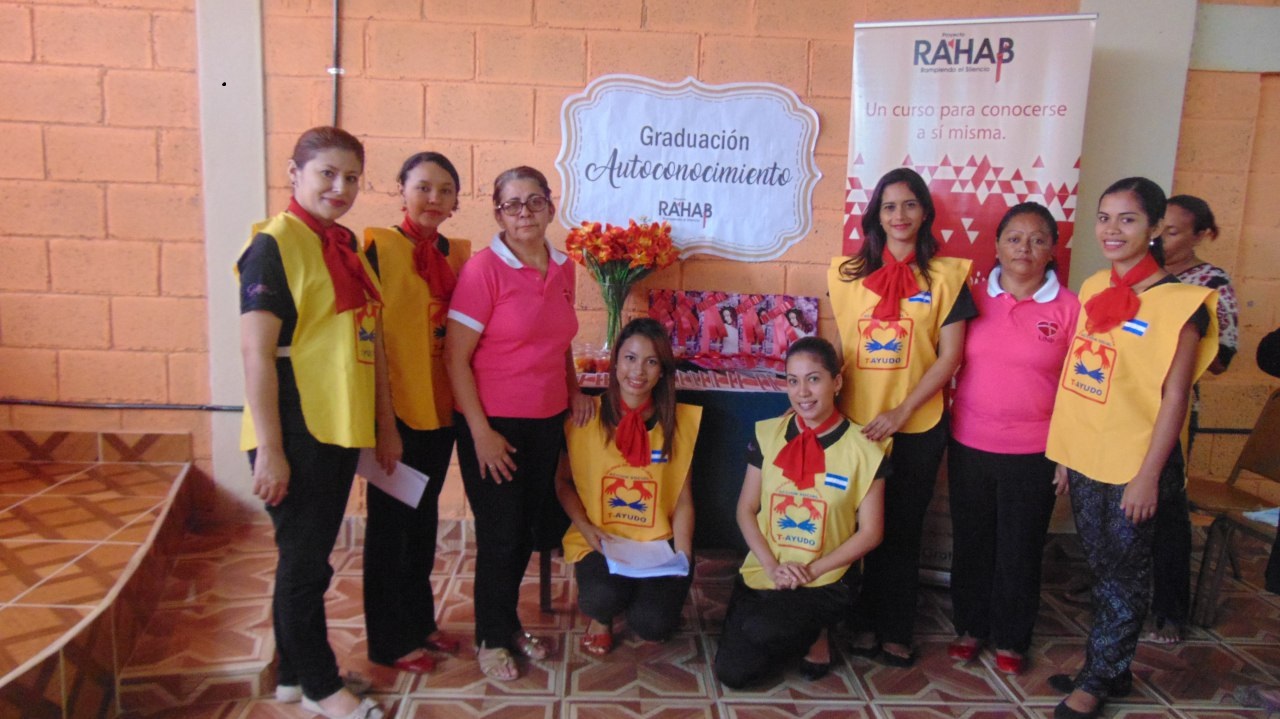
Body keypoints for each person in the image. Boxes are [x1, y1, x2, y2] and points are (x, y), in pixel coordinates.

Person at [1045, 177, 1218, 719]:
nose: (1111, 229)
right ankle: (1110, 667)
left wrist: (1147, 476)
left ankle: (1096, 680)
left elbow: (1174, 399)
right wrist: (1067, 454)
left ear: (1155, 228)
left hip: (1138, 464)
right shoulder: (1095, 287)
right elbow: (1080, 379)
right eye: (1104, 217)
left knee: (1124, 573)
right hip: (1090, 455)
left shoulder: (1182, 304)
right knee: (1102, 567)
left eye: (1127, 219)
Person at [238, 127, 388, 719]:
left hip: (334, 429)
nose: (340, 186)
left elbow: (362, 339)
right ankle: (325, 689)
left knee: (306, 557)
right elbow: (256, 353)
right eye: (327, 172)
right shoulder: (274, 246)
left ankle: (293, 678)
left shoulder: (341, 245)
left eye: (351, 176)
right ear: (294, 173)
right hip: (295, 430)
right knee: (305, 563)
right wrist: (271, 449)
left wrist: (379, 425)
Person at [445, 166, 594, 681]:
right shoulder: (483, 271)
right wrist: (483, 434)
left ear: (551, 206)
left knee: (527, 530)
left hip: (545, 419)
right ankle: (490, 638)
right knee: (501, 533)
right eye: (513, 204)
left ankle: (506, 626)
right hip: (494, 427)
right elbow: (455, 360)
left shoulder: (564, 266)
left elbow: (560, 342)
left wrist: (573, 389)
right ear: (498, 213)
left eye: (534, 202)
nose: (525, 212)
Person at [827, 166, 976, 666]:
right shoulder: (845, 275)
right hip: (854, 425)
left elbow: (950, 357)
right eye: (889, 206)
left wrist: (900, 411)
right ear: (875, 215)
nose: (900, 215)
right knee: (854, 528)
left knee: (902, 531)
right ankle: (859, 621)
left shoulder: (949, 276)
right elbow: (839, 352)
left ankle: (894, 628)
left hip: (916, 425)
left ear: (926, 214)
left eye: (910, 205)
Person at [946, 202, 1079, 675]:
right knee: (973, 541)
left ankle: (1011, 635)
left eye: (1038, 238)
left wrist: (1065, 455)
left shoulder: (1071, 309)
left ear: (1052, 250)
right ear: (997, 245)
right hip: (969, 442)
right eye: (1014, 238)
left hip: (1035, 452)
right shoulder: (972, 298)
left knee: (1021, 547)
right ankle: (970, 626)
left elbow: (1079, 388)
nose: (1025, 247)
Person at [714, 337, 888, 688]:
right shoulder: (768, 433)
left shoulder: (865, 448)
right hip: (769, 568)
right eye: (792, 381)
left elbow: (871, 532)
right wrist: (772, 567)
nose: (802, 392)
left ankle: (816, 631)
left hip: (825, 578)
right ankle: (794, 625)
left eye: (814, 379)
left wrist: (808, 572)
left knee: (765, 629)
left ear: (837, 382)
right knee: (734, 672)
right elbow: (746, 509)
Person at [361, 152, 470, 674]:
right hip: (396, 415)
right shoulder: (377, 249)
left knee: (421, 523)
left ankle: (419, 622)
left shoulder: (456, 253)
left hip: (441, 413)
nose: (433, 199)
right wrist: (382, 424)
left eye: (445, 190)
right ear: (400, 189)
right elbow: (368, 338)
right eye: (423, 187)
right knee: (389, 529)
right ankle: (388, 640)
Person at [556, 318, 703, 656]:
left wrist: (683, 558)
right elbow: (562, 482)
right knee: (601, 599)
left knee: (653, 625)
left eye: (651, 361)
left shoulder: (678, 424)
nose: (638, 371)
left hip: (656, 545)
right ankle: (603, 618)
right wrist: (586, 529)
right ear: (615, 362)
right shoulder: (586, 416)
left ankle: (647, 599)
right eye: (630, 358)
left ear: (663, 370)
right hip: (603, 539)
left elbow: (683, 501)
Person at [1143, 194, 1241, 645]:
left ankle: (1169, 608)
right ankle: (1130, 594)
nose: (1161, 239)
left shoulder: (1209, 282)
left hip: (1173, 410)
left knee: (1165, 508)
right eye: (1158, 228)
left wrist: (1182, 334)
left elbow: (1222, 361)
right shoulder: (1138, 275)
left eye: (1174, 232)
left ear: (1202, 235)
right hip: (1124, 407)